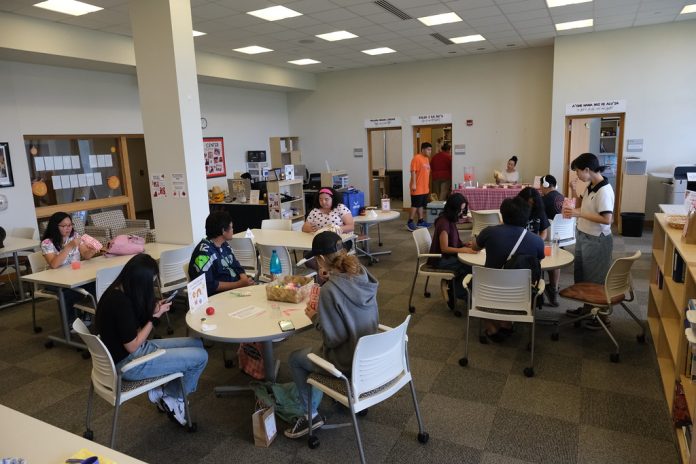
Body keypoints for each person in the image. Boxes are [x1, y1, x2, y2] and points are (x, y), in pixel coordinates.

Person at [285, 231, 379, 439]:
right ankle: (336, 398)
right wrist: (330, 278)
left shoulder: (330, 292)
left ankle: (311, 416)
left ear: (319, 260)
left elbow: (332, 340)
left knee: (295, 359)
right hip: (370, 355)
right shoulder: (361, 272)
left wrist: (315, 317)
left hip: (345, 359)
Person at [96, 254, 208, 426]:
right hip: (129, 364)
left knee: (196, 343)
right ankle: (173, 398)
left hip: (132, 353)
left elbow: (130, 325)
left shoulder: (116, 292)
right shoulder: (120, 304)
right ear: (140, 282)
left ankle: (163, 392)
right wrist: (154, 318)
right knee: (201, 357)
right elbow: (133, 346)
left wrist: (151, 309)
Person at [472, 197, 544, 341]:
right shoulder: (537, 241)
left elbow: (475, 247)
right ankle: (506, 323)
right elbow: (538, 262)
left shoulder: (489, 232)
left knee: (471, 281)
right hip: (520, 294)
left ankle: (492, 327)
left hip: (488, 291)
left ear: (502, 214)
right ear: (526, 216)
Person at [563, 152, 615, 330]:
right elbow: (582, 204)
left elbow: (607, 219)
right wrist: (572, 191)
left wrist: (578, 213)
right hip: (584, 234)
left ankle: (601, 317)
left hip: (597, 239)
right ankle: (586, 309)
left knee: (595, 279)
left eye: (578, 171)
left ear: (587, 170)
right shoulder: (591, 185)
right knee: (582, 275)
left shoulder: (604, 190)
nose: (577, 175)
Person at [40, 212, 99, 326]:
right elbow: (54, 265)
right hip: (56, 280)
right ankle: (71, 324)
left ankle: (90, 314)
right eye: (64, 226)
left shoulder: (75, 235)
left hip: (76, 275)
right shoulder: (47, 243)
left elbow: (85, 255)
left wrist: (92, 250)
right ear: (55, 226)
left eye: (70, 225)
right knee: (68, 294)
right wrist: (69, 246)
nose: (68, 228)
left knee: (95, 284)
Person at [428, 193, 478, 309]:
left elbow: (453, 241)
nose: (461, 213)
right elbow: (444, 248)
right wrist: (463, 250)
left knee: (470, 266)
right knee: (469, 267)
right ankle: (457, 292)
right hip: (440, 260)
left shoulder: (449, 219)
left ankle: (457, 289)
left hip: (447, 257)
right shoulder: (444, 223)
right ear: (453, 208)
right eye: (460, 210)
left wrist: (464, 245)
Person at [188, 211, 255, 296]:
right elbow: (208, 285)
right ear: (223, 231)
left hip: (235, 289)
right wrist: (239, 284)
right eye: (231, 228)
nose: (233, 230)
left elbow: (235, 264)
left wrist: (244, 280)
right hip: (219, 296)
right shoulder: (203, 254)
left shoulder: (224, 245)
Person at [539, 174, 565, 306]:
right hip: (562, 238)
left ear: (545, 185)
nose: (540, 189)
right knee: (555, 259)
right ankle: (553, 288)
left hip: (548, 238)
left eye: (541, 186)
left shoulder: (544, 199)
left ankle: (538, 289)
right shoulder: (562, 197)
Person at [406, 142, 432, 231]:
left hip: (424, 188)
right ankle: (410, 222)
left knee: (421, 205)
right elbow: (413, 171)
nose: (430, 151)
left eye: (430, 150)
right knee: (415, 205)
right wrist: (414, 184)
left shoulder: (426, 159)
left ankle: (420, 221)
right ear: (423, 149)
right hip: (417, 187)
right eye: (428, 149)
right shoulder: (417, 158)